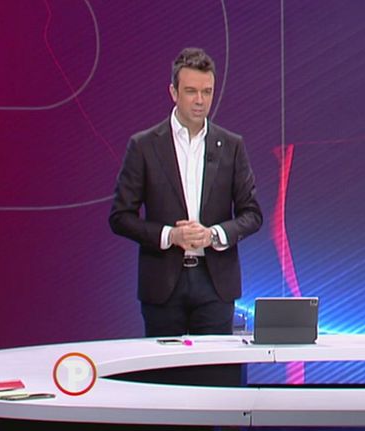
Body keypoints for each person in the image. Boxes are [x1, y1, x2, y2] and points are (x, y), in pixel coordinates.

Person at [110, 48, 263, 337]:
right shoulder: (144, 146)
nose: (200, 100)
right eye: (191, 91)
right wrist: (171, 235)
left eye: (207, 92)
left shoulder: (231, 146)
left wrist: (213, 235)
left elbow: (252, 214)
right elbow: (120, 217)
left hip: (215, 284)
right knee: (165, 366)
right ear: (173, 92)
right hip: (163, 285)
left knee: (214, 366)